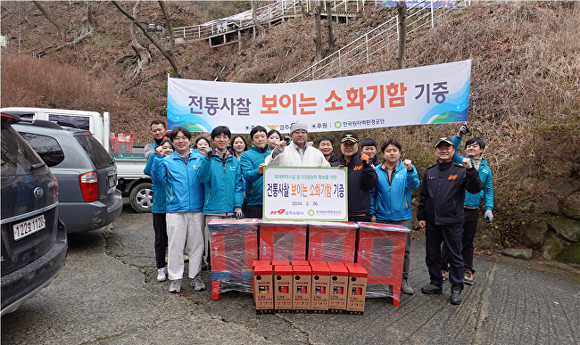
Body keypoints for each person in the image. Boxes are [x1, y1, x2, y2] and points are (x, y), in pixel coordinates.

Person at [417, 136, 483, 305]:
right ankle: (436, 282)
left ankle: (456, 287)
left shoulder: (461, 170)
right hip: (432, 221)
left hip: (452, 221)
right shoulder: (430, 172)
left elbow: (475, 188)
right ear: (435, 151)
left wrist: (471, 170)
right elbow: (423, 197)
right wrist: (421, 216)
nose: (444, 150)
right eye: (440, 148)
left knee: (455, 255)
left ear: (454, 151)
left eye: (448, 148)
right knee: (432, 255)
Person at [150, 127, 206, 293]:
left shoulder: (200, 159)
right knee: (175, 245)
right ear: (172, 142)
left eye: (184, 138)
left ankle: (195, 276)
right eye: (177, 138)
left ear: (190, 140)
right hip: (175, 209)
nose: (181, 141)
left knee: (197, 245)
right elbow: (157, 178)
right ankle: (175, 278)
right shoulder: (167, 160)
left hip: (197, 209)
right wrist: (158, 158)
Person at [441, 124, 494, 285]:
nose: (471, 148)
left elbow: (488, 189)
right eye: (469, 145)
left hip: (472, 210)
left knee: (467, 241)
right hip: (456, 207)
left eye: (475, 146)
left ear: (482, 150)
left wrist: (489, 209)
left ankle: (467, 269)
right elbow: (452, 150)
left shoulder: (486, 169)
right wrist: (458, 135)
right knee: (450, 238)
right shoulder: (460, 161)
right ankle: (443, 267)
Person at [369, 139, 420, 295]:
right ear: (383, 154)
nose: (392, 153)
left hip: (403, 216)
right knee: (381, 250)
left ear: (400, 152)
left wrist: (411, 170)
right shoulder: (376, 170)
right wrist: (372, 213)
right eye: (388, 151)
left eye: (395, 150)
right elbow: (372, 193)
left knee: (404, 251)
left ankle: (403, 279)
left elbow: (414, 185)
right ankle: (382, 280)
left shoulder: (407, 169)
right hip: (382, 216)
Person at [197, 126, 244, 269]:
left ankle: (228, 273)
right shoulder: (207, 159)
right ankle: (215, 273)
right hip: (213, 209)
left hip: (231, 210)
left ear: (229, 139)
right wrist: (206, 158)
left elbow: (238, 186)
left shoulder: (234, 162)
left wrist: (238, 205)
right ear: (213, 140)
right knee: (215, 244)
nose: (221, 139)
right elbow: (202, 178)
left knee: (229, 243)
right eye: (218, 137)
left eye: (225, 137)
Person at [144, 139, 174, 282]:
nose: (167, 150)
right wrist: (156, 157)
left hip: (175, 208)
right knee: (160, 239)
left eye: (170, 148)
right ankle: (160, 268)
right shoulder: (155, 159)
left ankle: (173, 267)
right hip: (159, 208)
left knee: (174, 240)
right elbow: (147, 171)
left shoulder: (176, 164)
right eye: (165, 147)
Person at [331, 132, 378, 221]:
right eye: (346, 144)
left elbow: (372, 183)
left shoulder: (365, 162)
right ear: (341, 146)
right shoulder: (334, 165)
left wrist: (366, 166)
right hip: (339, 214)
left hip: (361, 214)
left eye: (352, 144)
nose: (349, 147)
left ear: (357, 145)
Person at [240, 126, 271, 218]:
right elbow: (247, 175)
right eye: (257, 137)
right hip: (255, 202)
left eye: (263, 136)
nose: (260, 139)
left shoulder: (273, 154)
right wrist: (258, 171)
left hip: (273, 201)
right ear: (252, 141)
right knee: (255, 232)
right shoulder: (246, 155)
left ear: (267, 138)